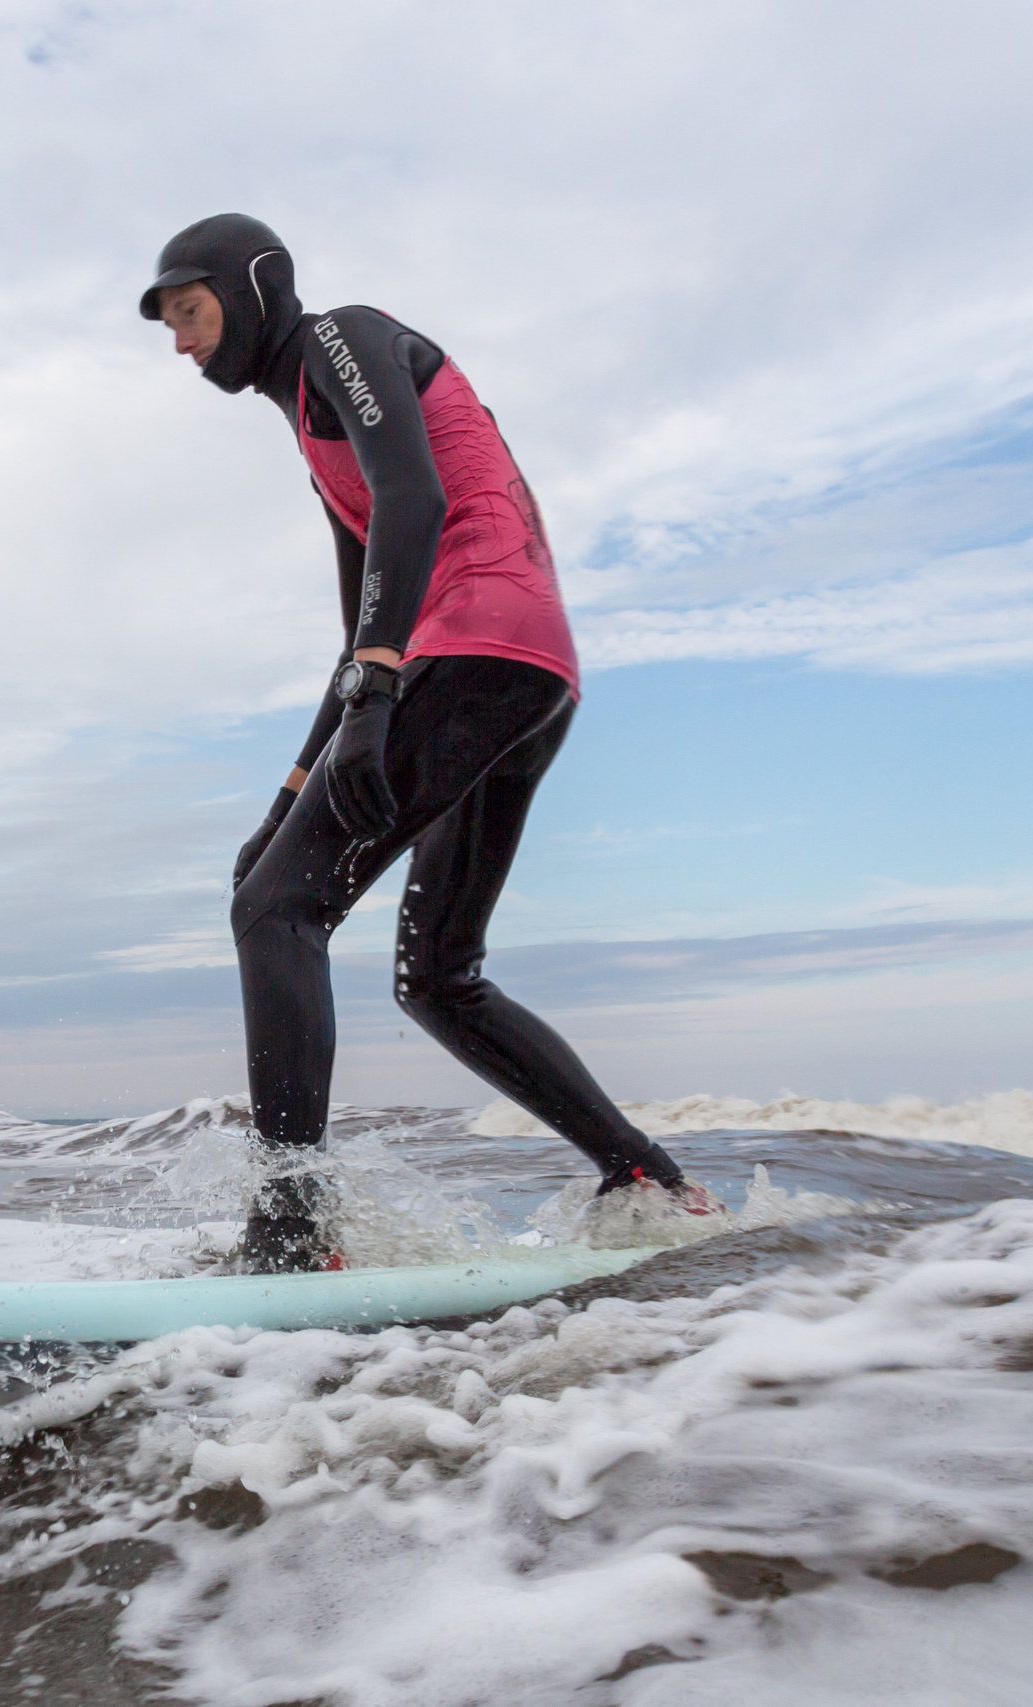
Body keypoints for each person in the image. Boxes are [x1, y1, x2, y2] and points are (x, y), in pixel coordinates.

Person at [140, 213, 719, 1272]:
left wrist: (376, 697)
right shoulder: (313, 433)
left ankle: (292, 1235)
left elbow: (416, 498)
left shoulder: (341, 343)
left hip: (473, 650)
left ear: (254, 286)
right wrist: (288, 795)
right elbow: (361, 614)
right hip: (524, 669)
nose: (180, 341)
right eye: (170, 323)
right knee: (436, 975)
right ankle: (652, 1185)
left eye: (191, 309)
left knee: (277, 911)